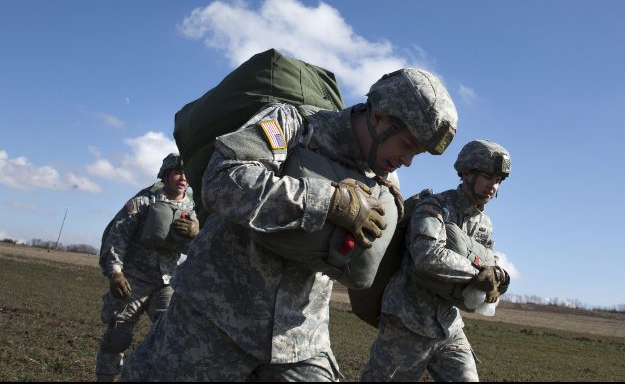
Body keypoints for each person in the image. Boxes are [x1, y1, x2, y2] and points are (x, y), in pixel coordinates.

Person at [121, 67, 458, 382]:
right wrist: (327, 201)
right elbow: (223, 180)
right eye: (409, 145)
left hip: (299, 339)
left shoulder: (385, 181)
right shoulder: (292, 125)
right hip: (213, 320)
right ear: (380, 117)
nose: (409, 160)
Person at [362, 139, 512, 382]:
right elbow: (428, 255)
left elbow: (489, 262)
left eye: (498, 180)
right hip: (407, 321)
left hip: (448, 326)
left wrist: (498, 277)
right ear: (466, 172)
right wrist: (477, 273)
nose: (492, 186)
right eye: (487, 176)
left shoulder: (484, 224)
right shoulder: (434, 206)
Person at [95, 153, 198, 382]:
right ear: (166, 174)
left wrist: (195, 233)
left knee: (172, 338)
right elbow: (116, 238)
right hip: (133, 281)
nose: (183, 178)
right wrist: (115, 273)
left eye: (187, 173)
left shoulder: (193, 208)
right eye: (178, 172)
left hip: (167, 283)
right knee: (117, 338)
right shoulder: (143, 202)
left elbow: (196, 250)